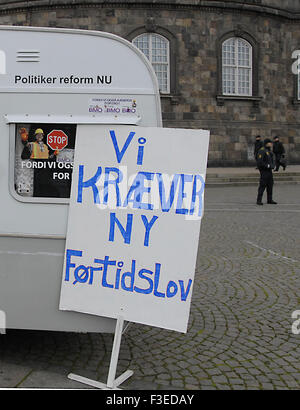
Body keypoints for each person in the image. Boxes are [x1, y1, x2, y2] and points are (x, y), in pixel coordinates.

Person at [256, 138, 277, 205]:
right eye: (270, 142)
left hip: (269, 171)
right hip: (264, 171)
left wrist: (273, 166)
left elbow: (271, 160)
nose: (271, 144)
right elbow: (260, 162)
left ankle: (269, 199)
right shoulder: (262, 150)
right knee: (262, 186)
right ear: (266, 143)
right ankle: (259, 200)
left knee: (270, 185)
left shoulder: (268, 151)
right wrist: (268, 166)